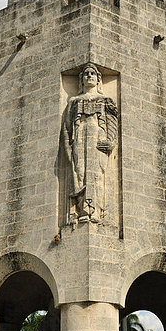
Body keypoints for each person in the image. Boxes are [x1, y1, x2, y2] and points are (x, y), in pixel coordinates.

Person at [62, 63, 118, 224]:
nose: (89, 76)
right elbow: (67, 127)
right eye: (86, 73)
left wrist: (110, 142)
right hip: (79, 140)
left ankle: (96, 211)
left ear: (98, 79)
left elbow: (112, 123)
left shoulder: (105, 100)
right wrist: (68, 148)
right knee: (79, 174)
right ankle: (79, 211)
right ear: (81, 79)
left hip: (98, 141)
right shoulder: (74, 101)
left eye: (92, 73)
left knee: (96, 175)